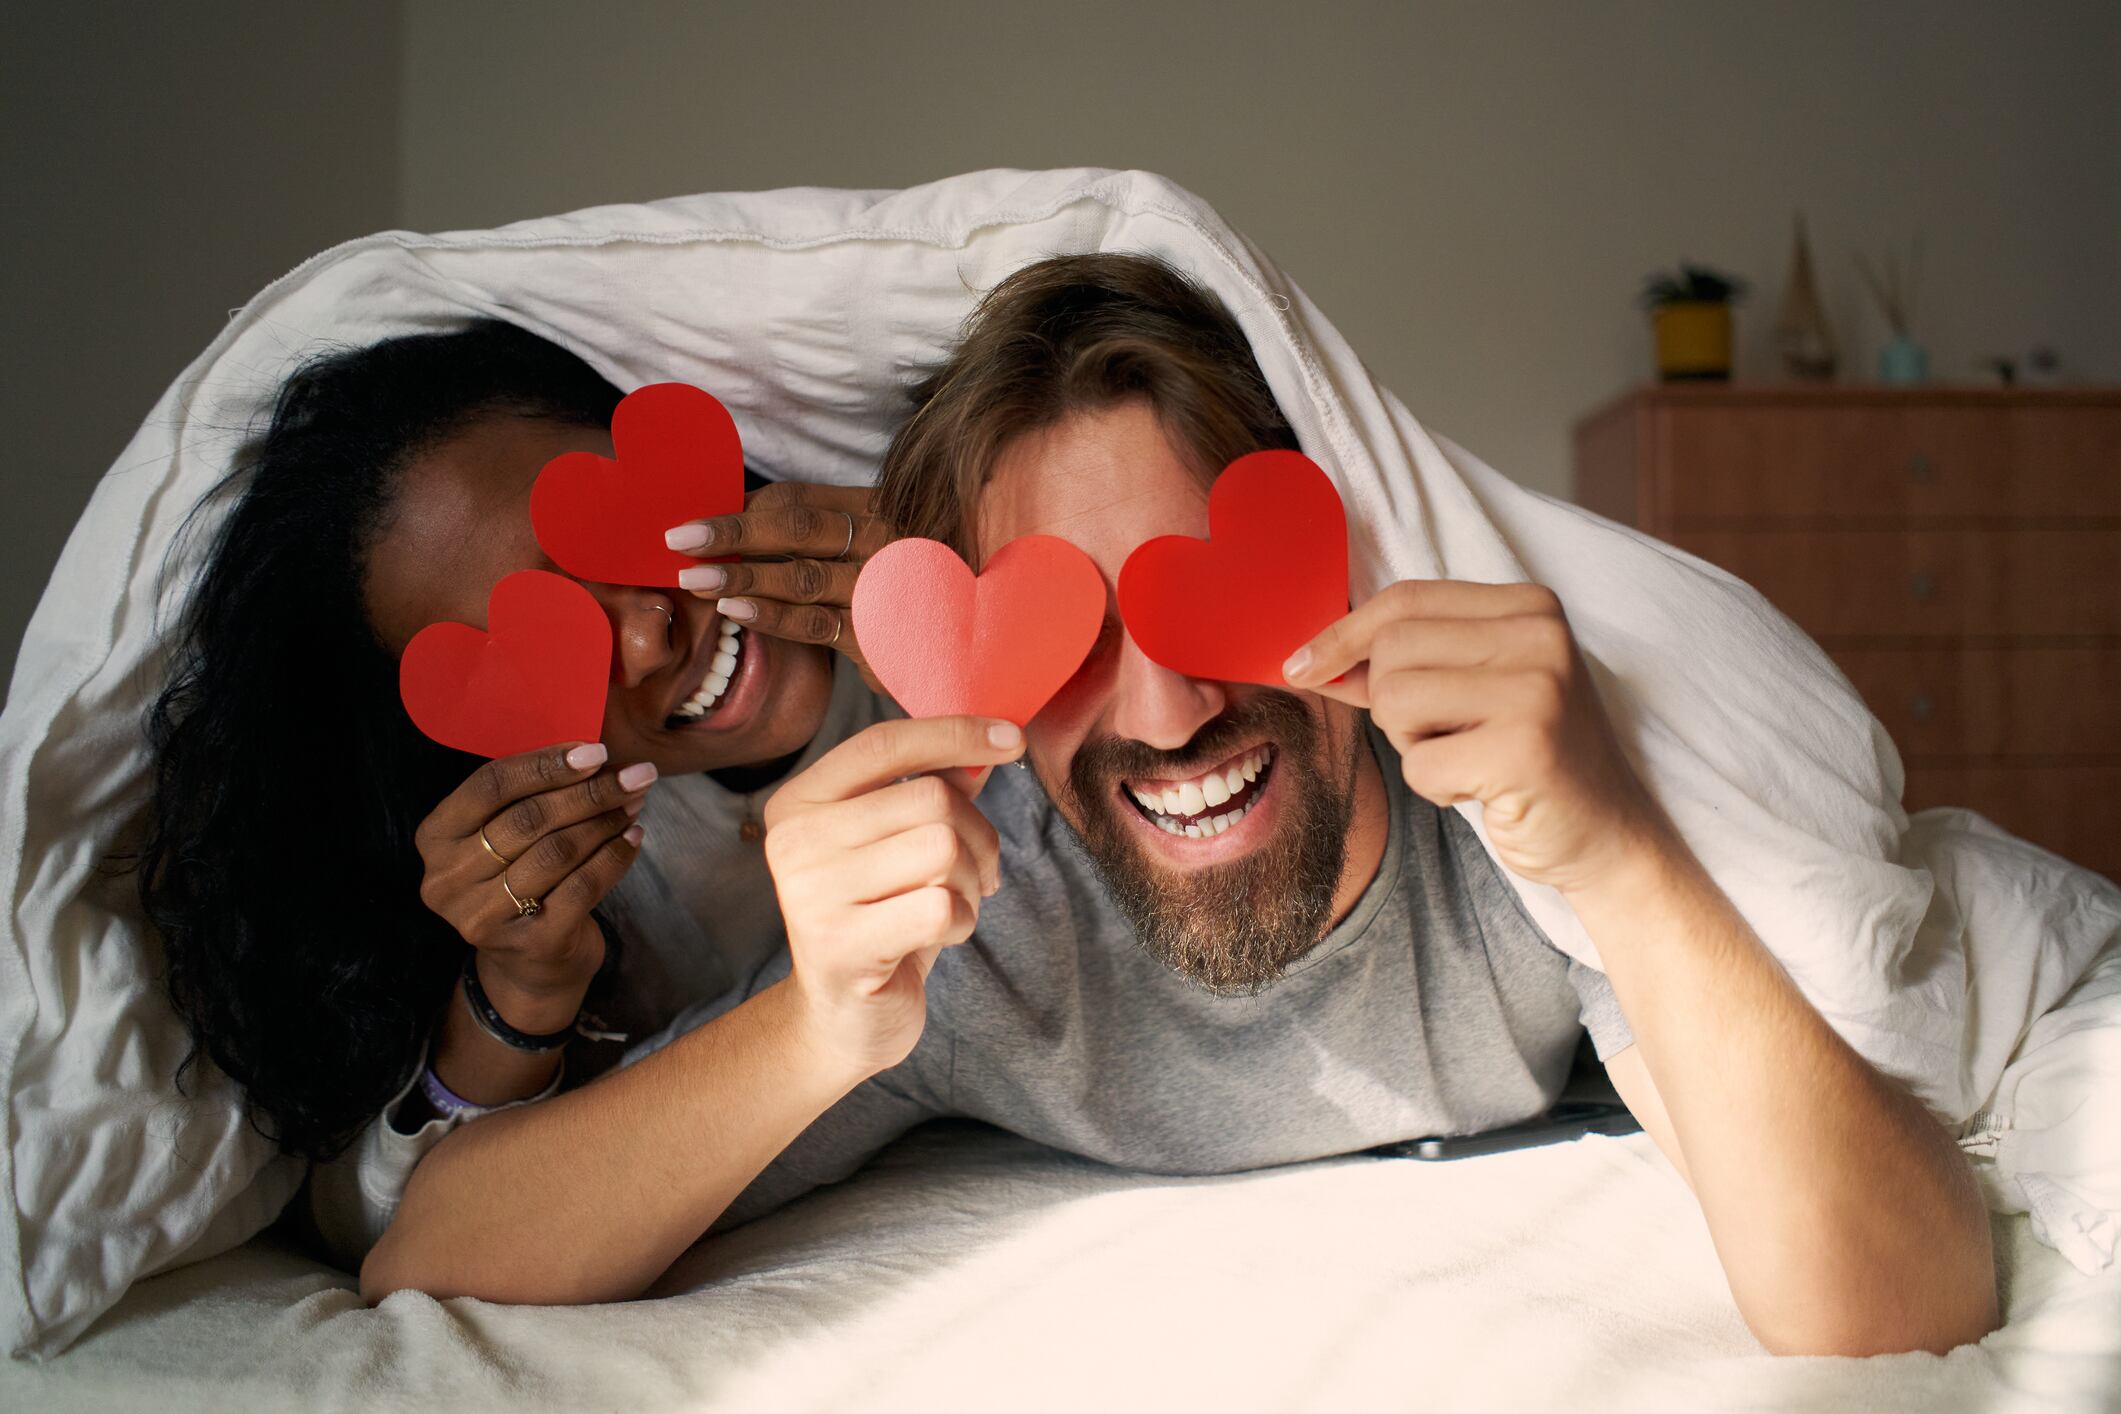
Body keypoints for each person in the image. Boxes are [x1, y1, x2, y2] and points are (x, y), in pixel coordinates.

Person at [361, 261, 1998, 1359]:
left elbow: (1905, 1297)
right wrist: (816, 1027)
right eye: (1066, 626)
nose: (1164, 706)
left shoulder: (1502, 823)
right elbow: (426, 1259)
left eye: (1211, 588)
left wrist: (1618, 849)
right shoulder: (977, 928)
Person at [137, 320, 894, 1261]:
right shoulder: (577, 884)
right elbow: (392, 1236)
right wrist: (522, 991)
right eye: (543, 640)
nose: (649, 635)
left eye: (613, 527)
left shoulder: (915, 544)